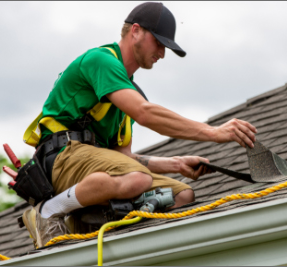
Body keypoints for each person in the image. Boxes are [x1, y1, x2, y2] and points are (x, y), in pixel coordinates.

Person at [22, 2, 258, 248]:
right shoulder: (100, 61)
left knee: (181, 194)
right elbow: (145, 113)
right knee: (137, 179)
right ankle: (48, 211)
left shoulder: (130, 92)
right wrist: (214, 132)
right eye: (158, 42)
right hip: (60, 157)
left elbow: (123, 157)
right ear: (135, 31)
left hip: (92, 168)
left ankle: (96, 225)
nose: (162, 54)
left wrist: (176, 164)